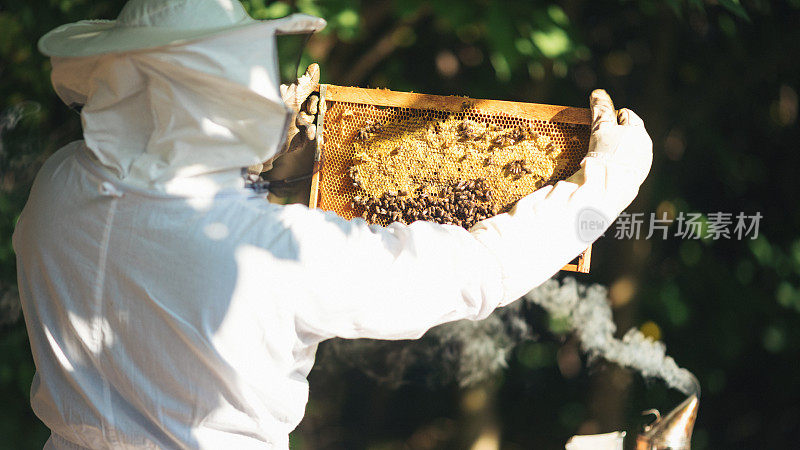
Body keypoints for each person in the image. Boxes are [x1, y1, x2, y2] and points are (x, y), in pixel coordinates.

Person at [13, 0, 653, 448]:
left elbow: (152, 207)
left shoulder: (57, 189)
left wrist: (258, 172)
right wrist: (605, 187)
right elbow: (473, 273)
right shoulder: (272, 252)